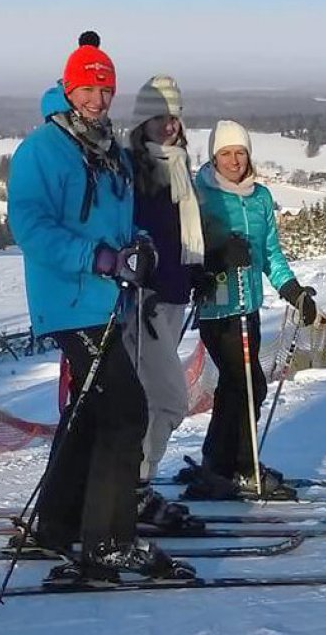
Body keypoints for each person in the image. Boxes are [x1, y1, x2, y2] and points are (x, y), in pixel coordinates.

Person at [7, 31, 193, 581]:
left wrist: (140, 244)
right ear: (69, 88)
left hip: (106, 300)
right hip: (70, 299)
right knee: (125, 411)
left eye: (105, 89)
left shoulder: (107, 148)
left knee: (88, 416)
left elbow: (121, 220)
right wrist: (100, 258)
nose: (97, 98)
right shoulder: (43, 149)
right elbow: (30, 226)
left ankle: (56, 525)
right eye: (87, 87)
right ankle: (109, 541)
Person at [182, 119, 319, 501]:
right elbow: (187, 251)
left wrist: (293, 291)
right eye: (225, 153)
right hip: (217, 308)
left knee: (235, 387)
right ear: (213, 156)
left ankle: (216, 462)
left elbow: (270, 253)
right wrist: (218, 254)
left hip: (249, 308)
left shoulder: (260, 198)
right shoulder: (201, 196)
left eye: (240, 152)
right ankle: (243, 466)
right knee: (247, 385)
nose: (234, 160)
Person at [121, 75, 207, 529]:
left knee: (155, 401)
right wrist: (145, 286)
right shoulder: (134, 170)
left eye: (173, 118)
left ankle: (135, 486)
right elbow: (133, 237)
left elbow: (178, 236)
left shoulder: (176, 166)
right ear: (141, 122)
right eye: (158, 118)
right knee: (168, 401)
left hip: (173, 299)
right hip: (146, 304)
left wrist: (198, 270)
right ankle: (132, 490)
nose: (168, 126)